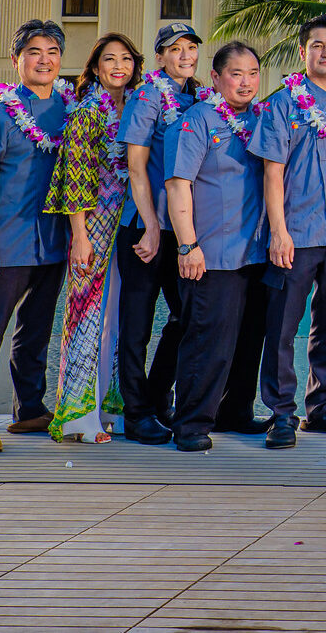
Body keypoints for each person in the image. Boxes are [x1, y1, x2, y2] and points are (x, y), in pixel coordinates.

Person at [251, 14, 326, 448]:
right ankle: (281, 413)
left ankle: (322, 407)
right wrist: (278, 231)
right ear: (303, 52)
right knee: (281, 328)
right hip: (295, 234)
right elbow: (272, 173)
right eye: (317, 45)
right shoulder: (282, 104)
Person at [0, 20, 75, 454]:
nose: (44, 60)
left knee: (36, 331)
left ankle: (29, 410)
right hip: (6, 241)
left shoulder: (70, 109)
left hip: (52, 240)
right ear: (17, 60)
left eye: (52, 52)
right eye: (34, 52)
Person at [163, 41, 270, 452]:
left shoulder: (260, 119)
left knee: (248, 339)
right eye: (236, 74)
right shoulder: (196, 121)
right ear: (216, 77)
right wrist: (188, 246)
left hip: (254, 251)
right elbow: (177, 185)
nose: (246, 82)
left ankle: (234, 412)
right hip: (211, 253)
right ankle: (190, 423)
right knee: (208, 341)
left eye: (253, 74)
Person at [44, 31, 143, 443]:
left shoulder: (137, 108)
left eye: (125, 59)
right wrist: (80, 235)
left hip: (128, 225)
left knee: (117, 317)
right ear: (96, 68)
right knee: (84, 316)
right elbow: (76, 179)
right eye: (109, 60)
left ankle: (110, 408)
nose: (118, 66)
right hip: (94, 225)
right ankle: (78, 419)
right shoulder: (88, 112)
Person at [115, 22, 202, 444]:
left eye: (191, 47)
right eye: (175, 49)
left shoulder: (201, 97)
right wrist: (150, 225)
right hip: (145, 228)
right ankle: (136, 414)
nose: (185, 55)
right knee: (137, 324)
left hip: (181, 230)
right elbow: (136, 166)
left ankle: (155, 395)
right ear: (161, 57)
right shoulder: (149, 94)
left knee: (186, 316)